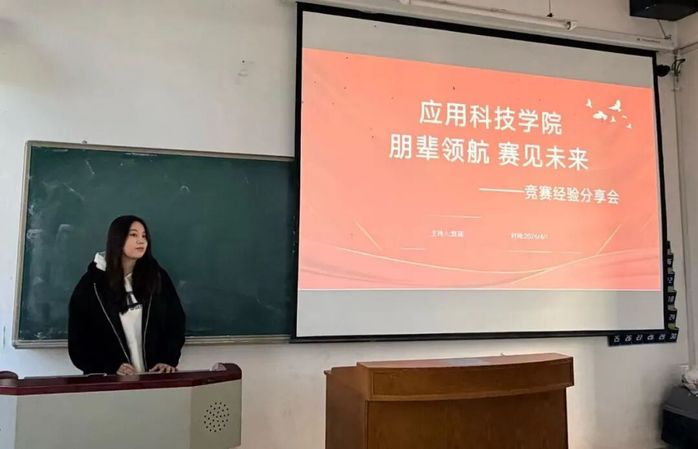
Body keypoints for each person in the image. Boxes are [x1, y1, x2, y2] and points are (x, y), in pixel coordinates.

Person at [68, 215, 185, 375]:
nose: (141, 241)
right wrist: (110, 366)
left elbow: (175, 322)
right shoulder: (92, 285)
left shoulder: (156, 277)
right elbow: (79, 343)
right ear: (117, 239)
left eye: (144, 236)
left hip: (155, 377)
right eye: (133, 235)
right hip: (111, 382)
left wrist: (167, 359)